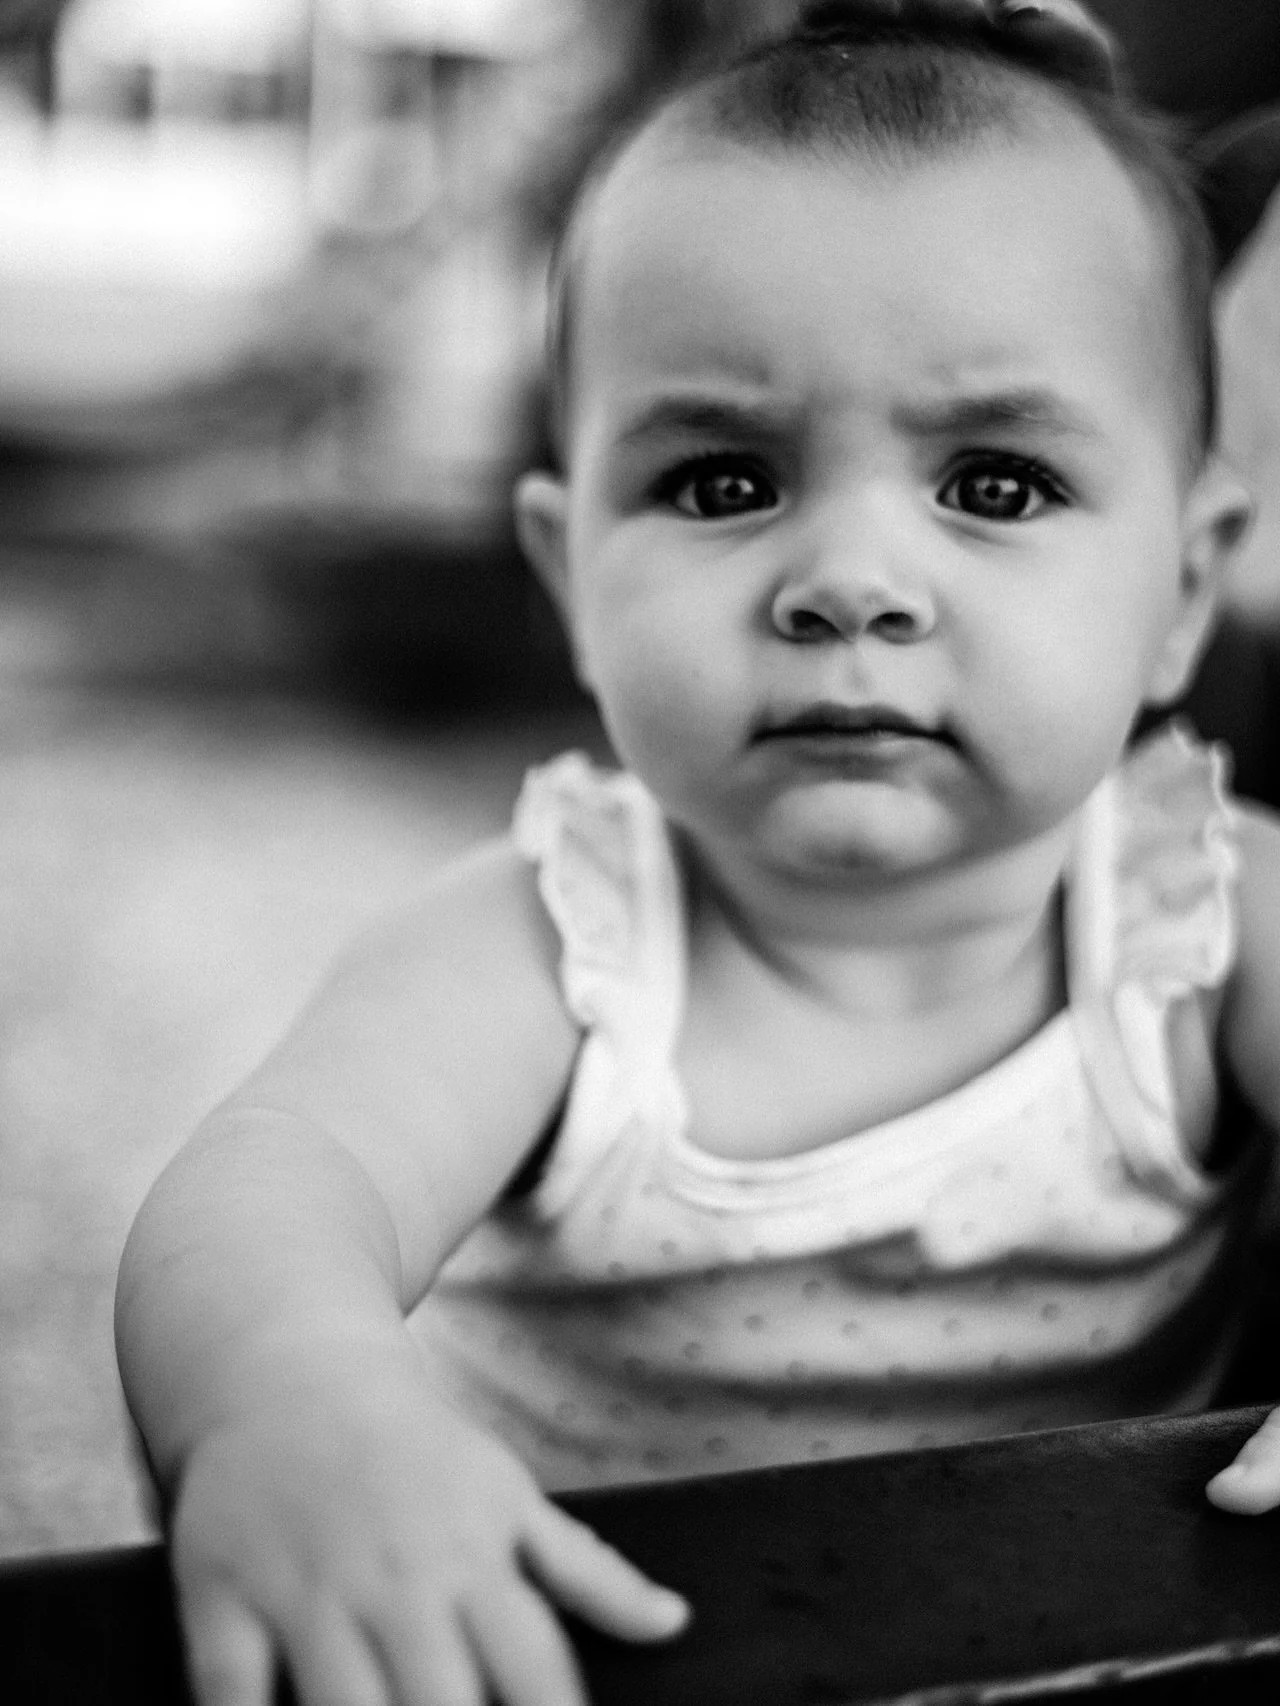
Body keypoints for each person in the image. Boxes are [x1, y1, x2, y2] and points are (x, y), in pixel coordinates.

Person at [114, 4, 1280, 1704]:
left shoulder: (1208, 913)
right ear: (570, 578)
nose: (850, 580)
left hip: (1079, 1640)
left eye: (997, 483)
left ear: (1183, 585)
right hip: (583, 1650)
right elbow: (273, 1186)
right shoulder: (559, 942)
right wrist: (294, 1401)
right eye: (727, 481)